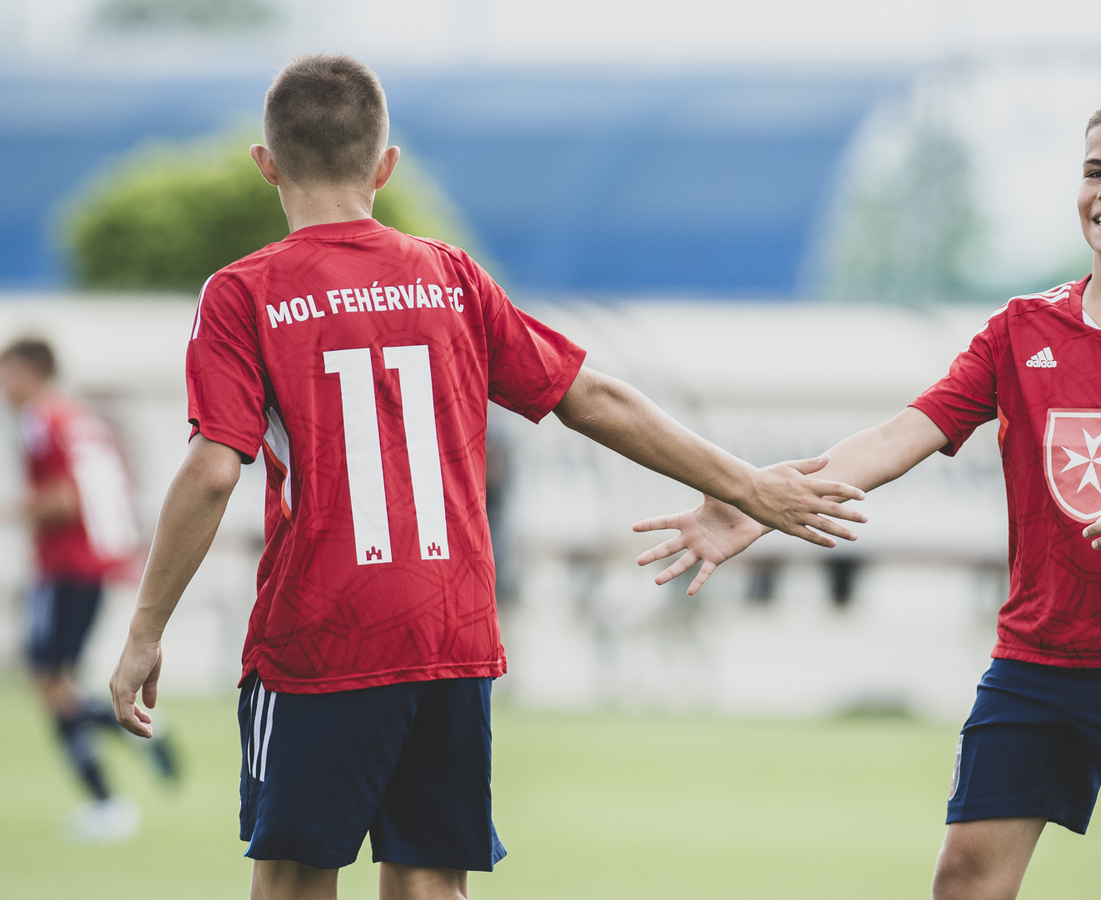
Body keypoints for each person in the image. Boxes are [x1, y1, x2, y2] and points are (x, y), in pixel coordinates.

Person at [106, 54, 865, 900]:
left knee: (291, 880)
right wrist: (747, 486)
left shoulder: (242, 293)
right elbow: (592, 397)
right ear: (385, 166)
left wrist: (145, 631)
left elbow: (214, 471)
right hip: (449, 629)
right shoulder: (451, 278)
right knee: (432, 884)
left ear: (266, 163)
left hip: (323, 632)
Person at [635, 98, 1101, 899]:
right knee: (965, 877)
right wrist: (750, 502)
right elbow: (901, 434)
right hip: (1035, 660)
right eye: (1094, 171)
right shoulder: (1021, 327)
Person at [0, 338, 177, 843]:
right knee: (56, 681)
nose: (0, 386)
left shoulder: (41, 420)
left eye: (6, 373)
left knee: (50, 681)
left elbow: (65, 499)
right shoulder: (74, 416)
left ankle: (110, 802)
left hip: (66, 564)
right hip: (94, 561)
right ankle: (135, 748)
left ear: (31, 371)